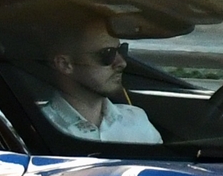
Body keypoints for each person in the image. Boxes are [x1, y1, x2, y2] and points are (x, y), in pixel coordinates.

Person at [38, 11, 161, 144]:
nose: (122, 63)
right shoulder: (39, 127)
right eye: (107, 54)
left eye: (121, 50)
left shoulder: (137, 120)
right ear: (65, 64)